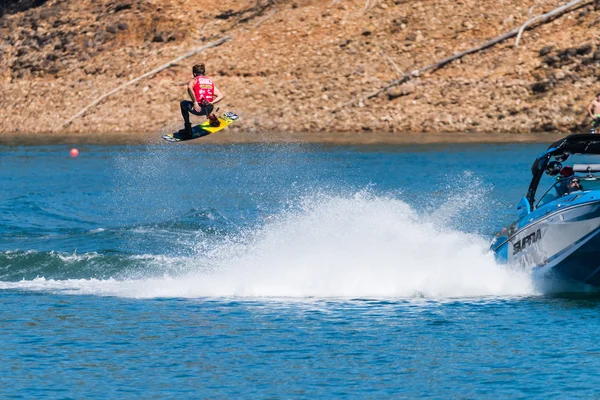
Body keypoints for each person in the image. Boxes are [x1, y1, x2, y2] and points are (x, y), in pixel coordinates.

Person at [180, 63, 224, 138]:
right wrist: (212, 102)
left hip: (198, 109)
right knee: (206, 104)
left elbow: (189, 88)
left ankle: (188, 129)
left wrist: (195, 102)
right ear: (203, 73)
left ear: (194, 74)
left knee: (183, 103)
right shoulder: (210, 82)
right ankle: (213, 119)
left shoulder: (194, 81)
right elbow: (221, 95)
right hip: (210, 108)